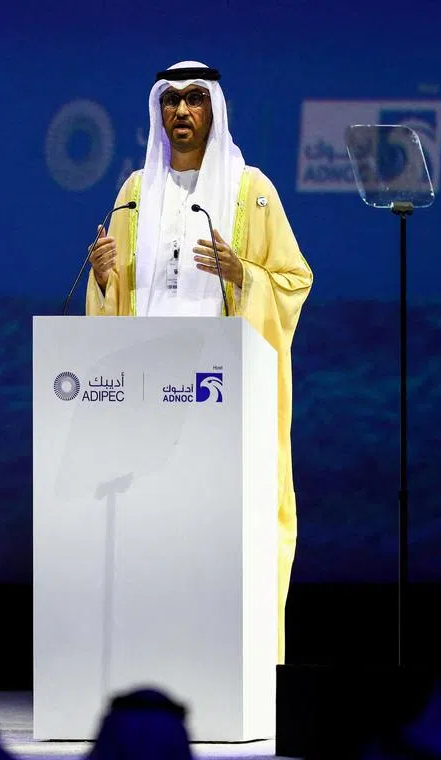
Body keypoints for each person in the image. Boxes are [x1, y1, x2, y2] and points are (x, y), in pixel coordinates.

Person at [85, 60, 313, 662]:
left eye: (194, 100)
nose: (181, 112)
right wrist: (106, 279)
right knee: (153, 537)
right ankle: (148, 662)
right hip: (147, 400)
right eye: (171, 101)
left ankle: (230, 667)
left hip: (220, 399)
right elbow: (116, 306)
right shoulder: (135, 193)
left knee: (222, 539)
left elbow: (293, 282)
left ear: (214, 109)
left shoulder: (252, 191)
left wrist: (246, 275)